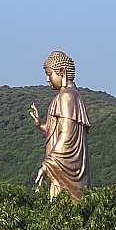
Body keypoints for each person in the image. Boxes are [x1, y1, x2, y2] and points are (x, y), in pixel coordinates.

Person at [29, 51, 90, 202]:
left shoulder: (67, 96)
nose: (47, 79)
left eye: (49, 74)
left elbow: (67, 135)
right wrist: (41, 126)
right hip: (60, 167)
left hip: (65, 170)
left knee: (61, 212)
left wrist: (48, 164)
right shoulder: (67, 96)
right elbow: (58, 132)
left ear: (62, 72)